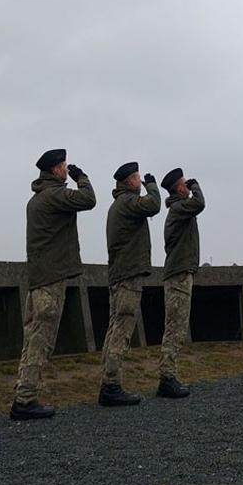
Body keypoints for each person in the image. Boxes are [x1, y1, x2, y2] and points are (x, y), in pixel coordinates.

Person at [10, 149, 96, 420]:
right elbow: (88, 199)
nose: (67, 170)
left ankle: (23, 394)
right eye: (65, 167)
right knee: (41, 340)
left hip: (38, 278)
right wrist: (82, 177)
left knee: (32, 339)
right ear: (57, 170)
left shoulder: (36, 199)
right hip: (50, 279)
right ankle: (25, 400)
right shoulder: (54, 195)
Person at [98, 161, 160, 406]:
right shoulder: (126, 202)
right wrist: (153, 185)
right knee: (121, 331)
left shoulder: (118, 204)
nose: (141, 182)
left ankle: (108, 382)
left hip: (120, 274)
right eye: (138, 178)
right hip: (127, 275)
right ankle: (111, 386)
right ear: (130, 182)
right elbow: (153, 205)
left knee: (114, 328)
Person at [158, 167, 206, 398]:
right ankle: (167, 378)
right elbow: (200, 203)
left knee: (176, 327)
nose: (189, 186)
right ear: (180, 188)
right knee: (175, 328)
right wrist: (196, 188)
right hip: (178, 276)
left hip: (179, 273)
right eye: (186, 183)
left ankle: (168, 377)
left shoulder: (179, 209)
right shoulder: (179, 208)